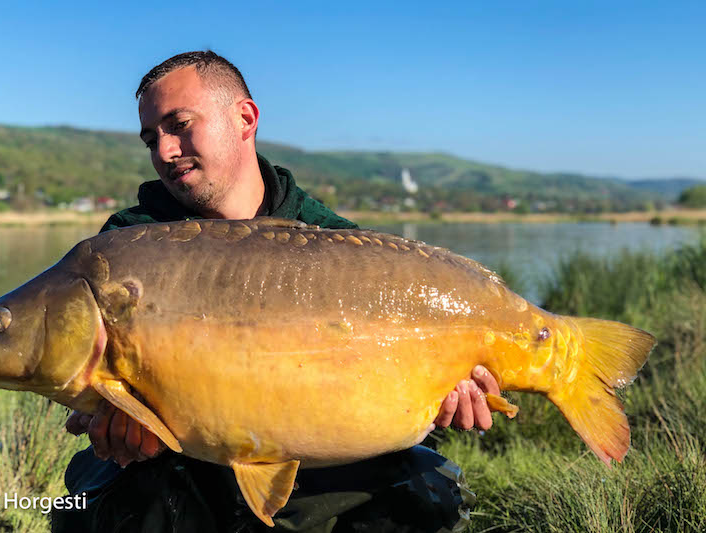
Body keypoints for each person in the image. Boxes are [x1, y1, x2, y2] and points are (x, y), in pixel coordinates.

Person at [52, 51, 501, 533]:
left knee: (424, 490)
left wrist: (447, 394)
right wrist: (115, 429)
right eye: (151, 138)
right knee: (114, 500)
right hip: (185, 460)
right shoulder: (130, 243)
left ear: (245, 118)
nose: (164, 151)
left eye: (179, 125)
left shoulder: (333, 240)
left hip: (314, 452)